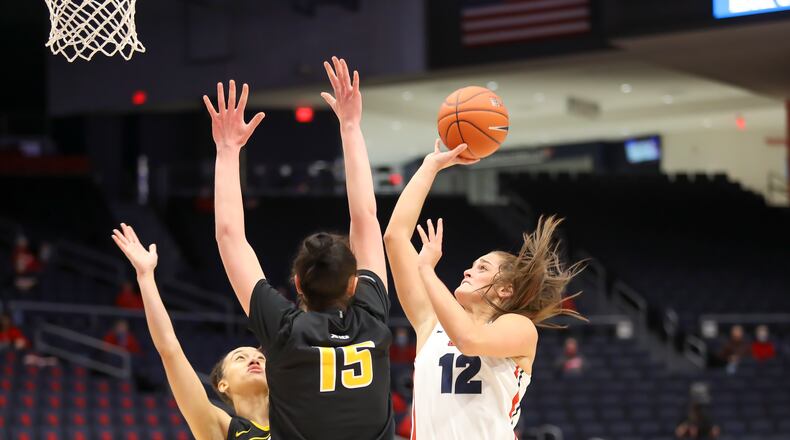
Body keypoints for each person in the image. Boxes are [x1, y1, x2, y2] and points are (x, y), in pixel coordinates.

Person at [205, 57, 393, 439]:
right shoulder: (371, 319)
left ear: (297, 284)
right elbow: (366, 218)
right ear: (354, 284)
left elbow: (229, 236)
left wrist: (227, 150)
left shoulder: (286, 332)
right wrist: (351, 126)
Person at [383, 140, 584, 439]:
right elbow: (395, 237)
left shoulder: (518, 328)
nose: (467, 270)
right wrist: (430, 166)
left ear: (506, 290)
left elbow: (469, 340)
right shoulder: (431, 323)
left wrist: (426, 270)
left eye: (482, 268)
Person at [111, 223, 270, 440]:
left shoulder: (300, 421)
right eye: (240, 357)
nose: (254, 359)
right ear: (223, 385)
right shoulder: (223, 428)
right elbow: (169, 349)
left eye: (260, 357)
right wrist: (145, 277)